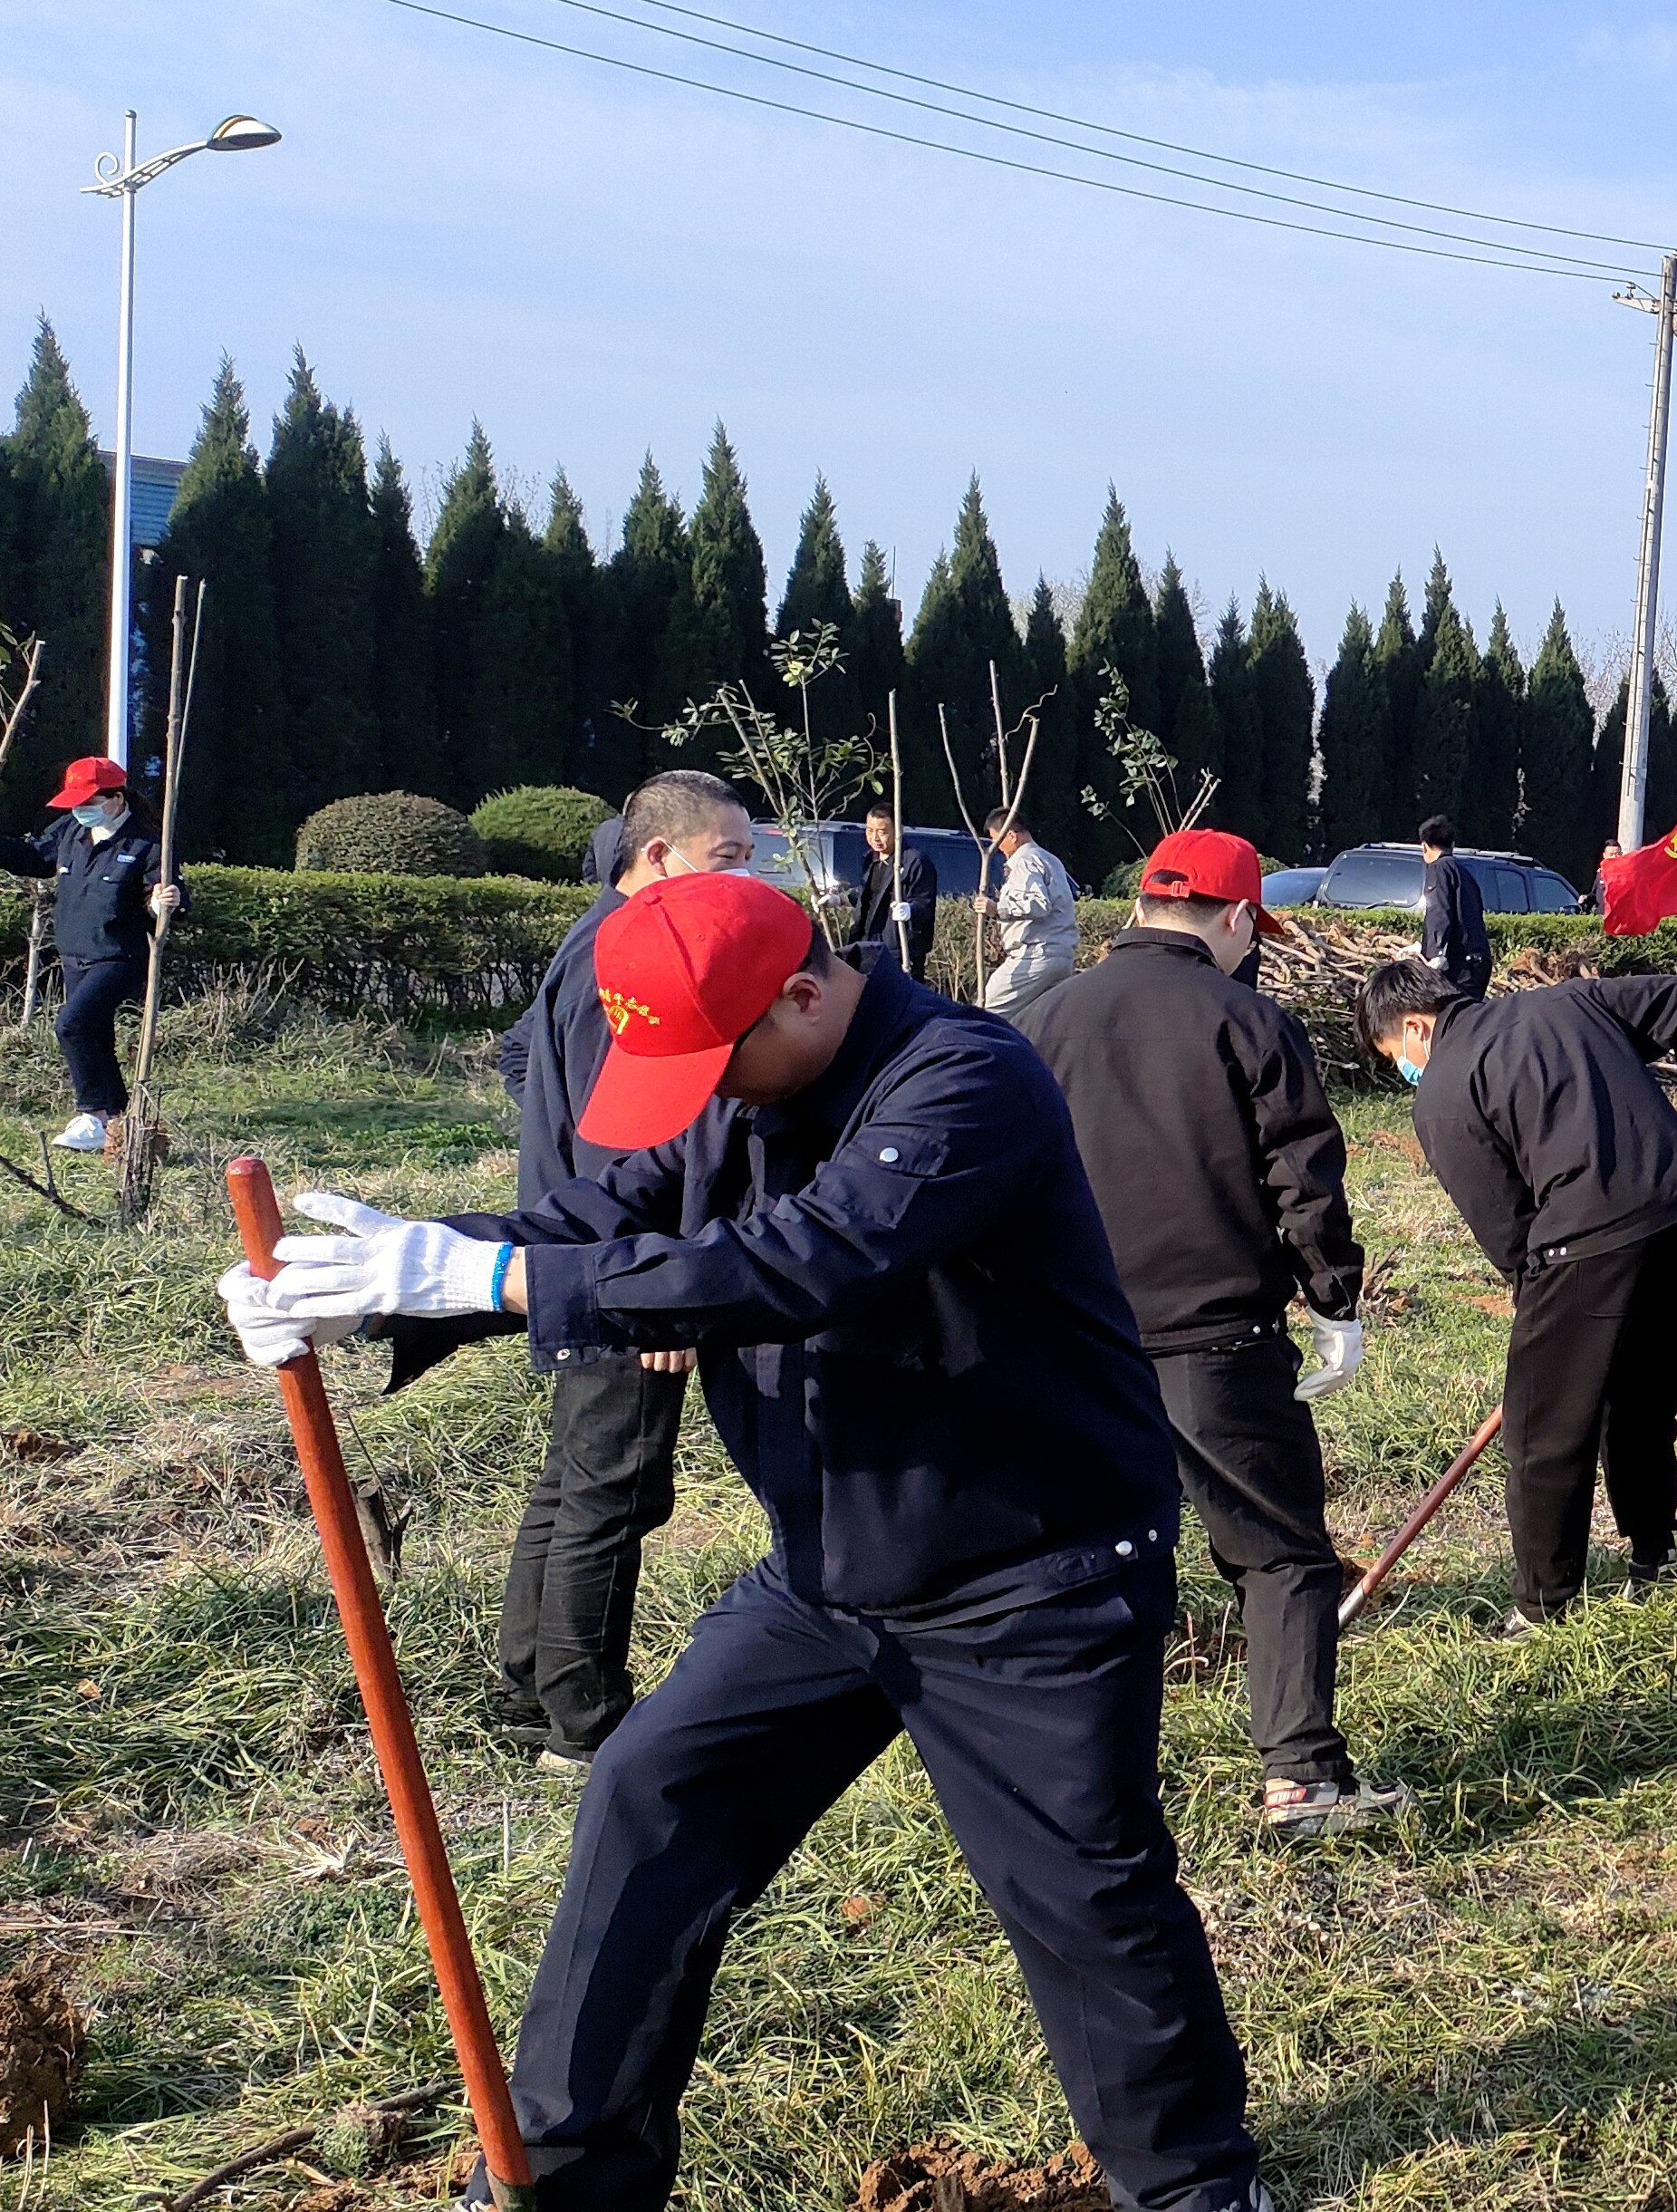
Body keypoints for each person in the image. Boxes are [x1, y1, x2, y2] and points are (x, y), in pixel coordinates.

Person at [218, 873, 1270, 2210]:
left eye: (718, 1062)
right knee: (652, 1796)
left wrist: (497, 1282)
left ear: (807, 991)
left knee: (1082, 1900)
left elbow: (810, 1258)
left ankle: (1191, 2189)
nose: (705, 1099)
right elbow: (597, 1223)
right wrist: (390, 1283)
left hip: (1028, 1573)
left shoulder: (964, 1079)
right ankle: (565, 2175)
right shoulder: (735, 1093)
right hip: (829, 1564)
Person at [1020, 828, 1404, 1836]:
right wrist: (1334, 1302)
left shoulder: (1043, 1018)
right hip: (1213, 1337)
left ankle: (1071, 1785)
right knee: (1278, 1555)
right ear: (1236, 917)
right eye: (1254, 931)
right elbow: (1302, 1178)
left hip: (1074, 1343)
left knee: (1087, 1559)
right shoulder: (1247, 1018)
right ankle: (1302, 1777)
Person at [488, 768, 754, 1765]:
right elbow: (627, 1153)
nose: (745, 880)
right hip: (606, 1263)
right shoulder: (626, 965)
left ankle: (527, 1678)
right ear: (658, 857)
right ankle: (585, 1717)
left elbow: (523, 1057)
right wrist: (660, 1288)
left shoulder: (596, 934)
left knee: (574, 1474)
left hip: (574, 1245)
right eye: (727, 859)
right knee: (616, 1486)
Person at [1359, 955, 1677, 1622]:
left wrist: (1539, 1307)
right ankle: (1652, 1554)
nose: (1403, 1069)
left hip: (1586, 1240)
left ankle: (1541, 1604)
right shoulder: (1565, 1003)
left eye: (1393, 1053)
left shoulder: (1444, 1092)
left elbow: (1505, 1228)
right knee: (1641, 1401)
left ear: (1417, 1028)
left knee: (1544, 1434)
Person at [1, 756, 185, 1154]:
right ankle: (118, 1116)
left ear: (117, 799)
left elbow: (171, 898)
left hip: (120, 955)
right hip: (74, 952)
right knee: (95, 1033)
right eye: (76, 803)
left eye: (89, 802)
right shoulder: (70, 829)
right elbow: (35, 858)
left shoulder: (149, 842)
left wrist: (163, 903)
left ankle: (92, 1115)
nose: (80, 810)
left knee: (71, 1025)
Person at [980, 808, 1080, 1016]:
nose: (996, 848)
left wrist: (997, 909)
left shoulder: (1025, 861)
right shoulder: (1050, 859)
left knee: (988, 1011)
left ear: (1011, 835)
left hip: (1034, 955)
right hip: (1061, 955)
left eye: (996, 840)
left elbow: (1038, 903)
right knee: (1040, 1023)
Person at [849, 804, 937, 980]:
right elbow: (871, 897)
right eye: (869, 831)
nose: (875, 838)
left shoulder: (914, 861)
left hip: (896, 950)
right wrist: (840, 899)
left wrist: (910, 909)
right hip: (866, 944)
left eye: (882, 832)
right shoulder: (870, 859)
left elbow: (925, 903)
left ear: (899, 831)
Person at [1416, 814, 1492, 999]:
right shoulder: (1463, 872)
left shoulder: (1439, 869)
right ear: (1452, 844)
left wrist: (1435, 953)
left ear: (1424, 846)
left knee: (1452, 1019)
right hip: (1478, 962)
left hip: (1460, 966)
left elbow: (1439, 911)